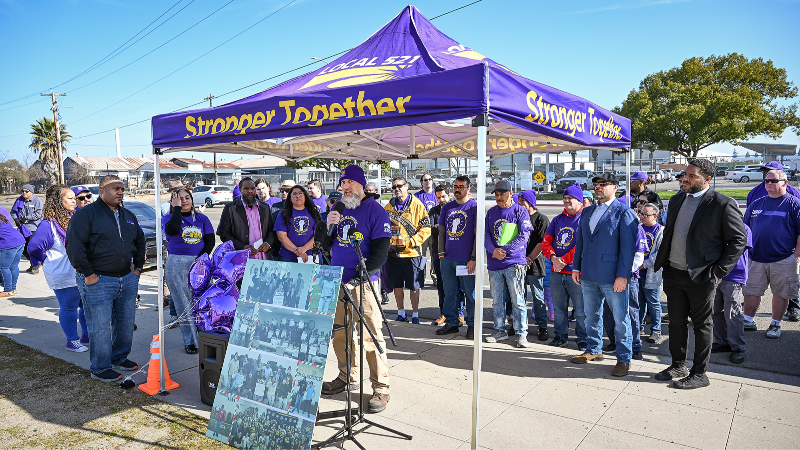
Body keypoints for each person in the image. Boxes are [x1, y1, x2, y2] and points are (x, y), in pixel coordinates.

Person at [653, 158, 746, 389]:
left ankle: (699, 373)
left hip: (702, 275)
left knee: (702, 324)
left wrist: (718, 271)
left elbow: (738, 240)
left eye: (692, 176)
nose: (685, 178)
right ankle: (678, 365)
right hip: (673, 273)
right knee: (675, 323)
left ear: (707, 178)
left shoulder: (722, 204)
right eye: (685, 174)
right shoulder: (676, 200)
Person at [321, 164, 392, 414]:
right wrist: (327, 225)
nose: (345, 187)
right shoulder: (337, 208)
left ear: (361, 185)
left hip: (364, 285)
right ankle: (346, 375)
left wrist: (358, 280)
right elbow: (321, 243)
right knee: (341, 334)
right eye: (343, 183)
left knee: (371, 336)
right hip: (338, 282)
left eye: (350, 182)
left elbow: (381, 254)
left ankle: (381, 387)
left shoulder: (375, 211)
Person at [66, 175, 145, 382]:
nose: (121, 192)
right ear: (102, 190)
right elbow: (74, 247)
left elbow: (140, 241)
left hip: (126, 278)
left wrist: (137, 270)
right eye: (116, 188)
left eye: (122, 188)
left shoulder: (128, 215)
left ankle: (119, 357)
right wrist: (88, 274)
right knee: (100, 326)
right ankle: (100, 367)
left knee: (125, 323)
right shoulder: (86, 215)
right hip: (98, 281)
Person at [571, 172, 639, 377]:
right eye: (596, 184)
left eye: (603, 184)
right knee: (591, 315)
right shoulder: (588, 211)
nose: (598, 187)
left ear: (615, 187)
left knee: (620, 319)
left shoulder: (624, 212)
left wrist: (623, 276)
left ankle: (624, 358)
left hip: (612, 277)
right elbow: (581, 242)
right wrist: (576, 267)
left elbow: (628, 249)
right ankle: (594, 350)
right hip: (589, 274)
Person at [28, 184, 88, 351]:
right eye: (70, 198)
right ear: (58, 201)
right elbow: (34, 247)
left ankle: (87, 335)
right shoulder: (48, 224)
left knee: (85, 305)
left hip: (80, 271)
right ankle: (72, 340)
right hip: (62, 272)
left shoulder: (74, 217)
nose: (74, 201)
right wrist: (42, 260)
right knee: (69, 307)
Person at [742, 169, 800, 339]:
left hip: (783, 258)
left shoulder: (794, 204)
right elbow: (745, 230)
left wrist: (795, 256)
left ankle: (775, 324)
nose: (769, 184)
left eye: (774, 181)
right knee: (751, 291)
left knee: (781, 293)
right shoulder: (756, 204)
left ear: (785, 182)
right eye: (767, 181)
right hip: (755, 258)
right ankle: (748, 320)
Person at [163, 187, 215, 354]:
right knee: (183, 305)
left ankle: (205, 337)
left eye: (187, 197)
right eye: (179, 199)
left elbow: (210, 241)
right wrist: (177, 209)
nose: (184, 201)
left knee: (201, 303)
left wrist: (199, 260)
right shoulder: (168, 218)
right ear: (173, 201)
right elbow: (173, 230)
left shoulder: (202, 218)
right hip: (176, 264)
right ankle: (190, 341)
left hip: (199, 263)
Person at [484, 180, 532, 347]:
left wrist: (505, 250)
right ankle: (499, 330)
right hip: (494, 264)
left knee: (517, 299)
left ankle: (521, 333)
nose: (499, 197)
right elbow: (486, 235)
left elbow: (524, 235)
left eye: (502, 194)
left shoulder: (520, 211)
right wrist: (493, 251)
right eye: (496, 195)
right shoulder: (490, 213)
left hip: (514, 263)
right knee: (497, 300)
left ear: (511, 193)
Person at [543, 184, 587, 349]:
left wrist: (564, 260)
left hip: (575, 272)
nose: (567, 201)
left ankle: (582, 339)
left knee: (581, 310)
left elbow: (583, 245)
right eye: (565, 198)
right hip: (556, 271)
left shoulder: (585, 218)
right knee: (559, 308)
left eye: (571, 198)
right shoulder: (557, 219)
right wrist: (554, 258)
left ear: (579, 200)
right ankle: (560, 336)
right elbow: (546, 241)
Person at [385, 176, 431, 324]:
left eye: (399, 186)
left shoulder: (417, 205)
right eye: (394, 187)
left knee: (414, 286)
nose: (397, 189)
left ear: (407, 186)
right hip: (393, 253)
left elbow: (426, 229)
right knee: (397, 285)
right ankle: (401, 313)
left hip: (412, 253)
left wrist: (411, 242)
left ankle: (415, 315)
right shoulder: (388, 206)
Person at [436, 176, 477, 339]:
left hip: (466, 261)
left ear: (468, 188)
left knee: (470, 294)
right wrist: (441, 254)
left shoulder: (474, 207)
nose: (457, 189)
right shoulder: (447, 207)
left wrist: (473, 258)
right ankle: (452, 323)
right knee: (450, 293)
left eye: (461, 186)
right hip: (448, 259)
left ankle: (472, 325)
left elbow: (477, 235)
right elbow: (441, 231)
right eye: (455, 186)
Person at [712, 224, 751, 364]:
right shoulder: (715, 225)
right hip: (714, 275)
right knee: (715, 310)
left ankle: (737, 347)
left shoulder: (744, 228)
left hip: (734, 276)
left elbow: (737, 250)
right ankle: (721, 341)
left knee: (732, 313)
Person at [518, 189, 551, 341]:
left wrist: (529, 258)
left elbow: (541, 243)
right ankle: (519, 326)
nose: (519, 205)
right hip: (518, 263)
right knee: (519, 297)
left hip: (535, 263)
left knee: (538, 297)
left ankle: (542, 326)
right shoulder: (517, 216)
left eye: (522, 202)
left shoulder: (542, 219)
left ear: (530, 203)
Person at [218, 177, 276, 260]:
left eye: (252, 188)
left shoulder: (265, 207)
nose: (250, 191)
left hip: (263, 257)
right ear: (240, 189)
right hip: (241, 258)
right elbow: (224, 234)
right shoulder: (230, 208)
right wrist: (242, 247)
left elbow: (271, 230)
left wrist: (268, 243)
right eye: (246, 189)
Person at [637, 202, 664, 344]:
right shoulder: (638, 228)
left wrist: (643, 265)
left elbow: (660, 255)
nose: (642, 217)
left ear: (655, 216)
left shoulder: (661, 231)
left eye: (645, 215)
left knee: (653, 303)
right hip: (638, 274)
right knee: (639, 302)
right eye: (641, 213)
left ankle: (656, 331)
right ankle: (639, 327)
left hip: (652, 274)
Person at [274, 185, 321, 263]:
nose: (297, 196)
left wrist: (303, 249)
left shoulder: (314, 213)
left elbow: (318, 235)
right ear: (290, 198)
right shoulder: (283, 214)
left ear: (305, 196)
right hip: (288, 257)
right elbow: (281, 237)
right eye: (294, 194)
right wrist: (297, 250)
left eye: (300, 193)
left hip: (311, 257)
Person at [11, 184, 43, 274]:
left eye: (26, 191)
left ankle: (35, 266)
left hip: (33, 227)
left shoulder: (37, 201)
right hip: (22, 228)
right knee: (21, 247)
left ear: (31, 192)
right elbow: (13, 211)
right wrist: (16, 219)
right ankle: (33, 263)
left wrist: (26, 217)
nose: (24, 193)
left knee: (31, 248)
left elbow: (39, 214)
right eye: (22, 191)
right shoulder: (19, 200)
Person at [428, 184, 449, 326]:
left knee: (456, 285)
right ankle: (443, 313)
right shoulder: (433, 211)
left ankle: (459, 314)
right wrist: (442, 228)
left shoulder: (454, 208)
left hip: (454, 252)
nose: (441, 199)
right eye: (438, 197)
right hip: (437, 252)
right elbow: (431, 230)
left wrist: (439, 227)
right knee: (441, 284)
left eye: (443, 196)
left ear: (449, 195)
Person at [0, 206, 26, 298]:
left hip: (8, 243)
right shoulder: (2, 209)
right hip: (19, 239)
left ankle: (8, 290)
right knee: (13, 266)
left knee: (3, 267)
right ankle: (13, 289)